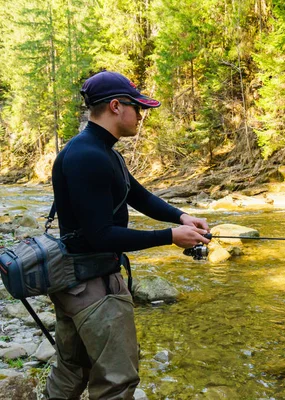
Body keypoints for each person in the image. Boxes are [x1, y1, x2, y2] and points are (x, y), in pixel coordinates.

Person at [44, 71, 210, 399]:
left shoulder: (100, 151)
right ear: (117, 106)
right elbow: (101, 236)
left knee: (73, 369)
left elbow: (139, 196)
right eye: (138, 108)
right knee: (117, 382)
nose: (141, 116)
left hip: (75, 283)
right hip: (94, 289)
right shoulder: (88, 156)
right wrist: (170, 236)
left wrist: (182, 216)